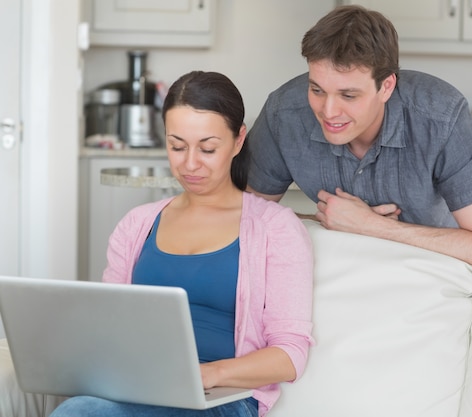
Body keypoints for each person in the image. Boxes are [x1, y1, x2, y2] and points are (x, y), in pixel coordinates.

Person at [50, 71, 314, 417]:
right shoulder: (135, 225)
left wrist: (209, 374)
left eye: (207, 148)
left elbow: (290, 353)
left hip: (223, 398)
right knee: (79, 408)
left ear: (237, 141)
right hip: (140, 387)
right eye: (177, 146)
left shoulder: (275, 228)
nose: (190, 164)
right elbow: (111, 327)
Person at [246, 5, 472, 270]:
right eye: (317, 90)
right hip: (335, 280)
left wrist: (373, 227)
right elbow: (240, 218)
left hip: (435, 274)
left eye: (348, 95)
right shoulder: (284, 113)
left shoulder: (441, 117)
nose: (328, 112)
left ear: (386, 86)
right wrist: (325, 221)